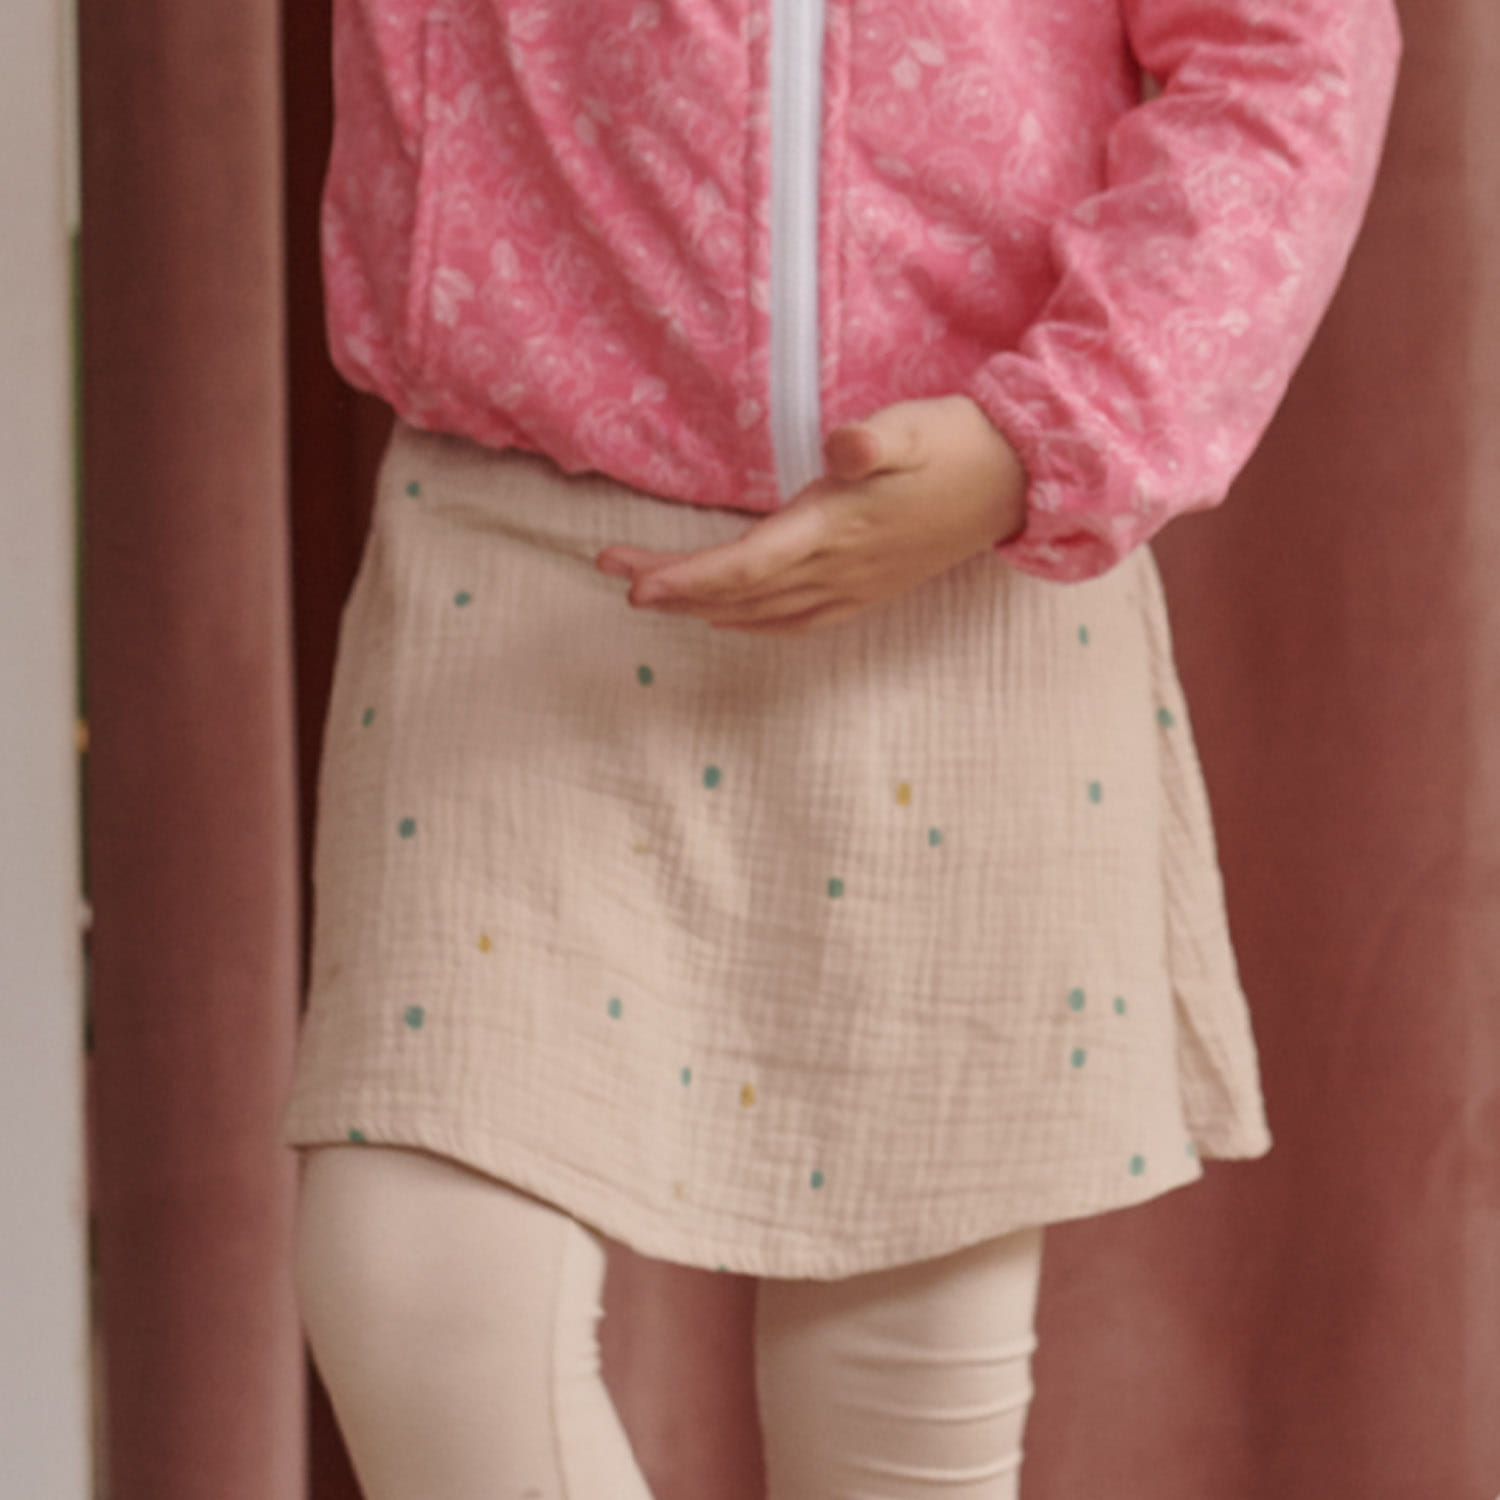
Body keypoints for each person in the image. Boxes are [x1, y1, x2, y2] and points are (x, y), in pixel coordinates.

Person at [279, 0, 1403, 1495]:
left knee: (898, 1394)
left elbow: (1294, 45)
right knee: (420, 1285)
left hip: (970, 549)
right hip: (522, 519)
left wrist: (1045, 441)